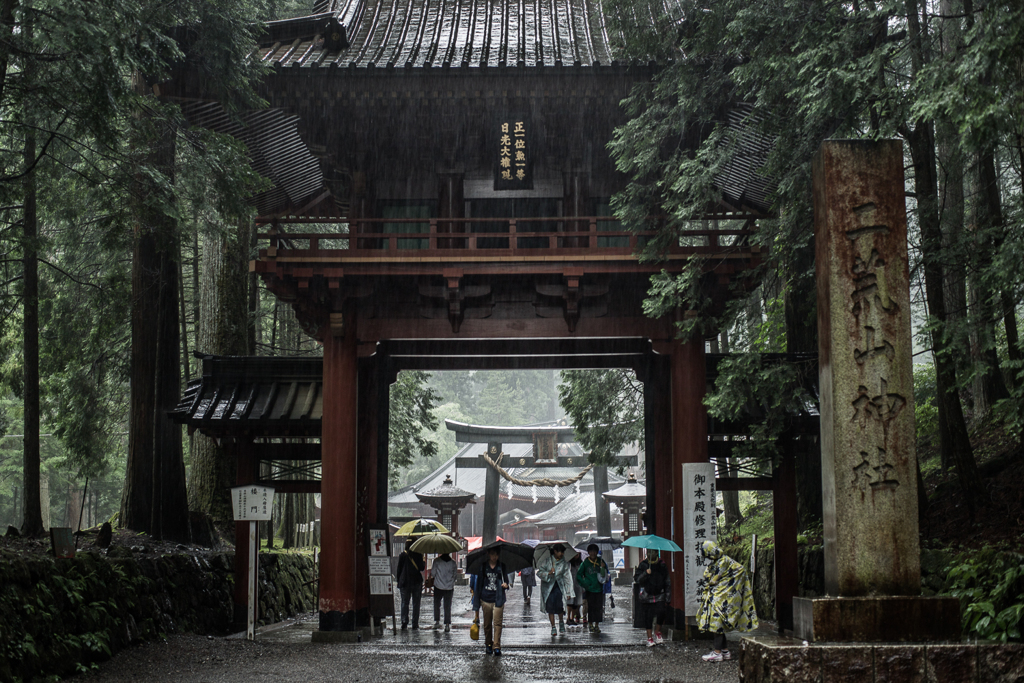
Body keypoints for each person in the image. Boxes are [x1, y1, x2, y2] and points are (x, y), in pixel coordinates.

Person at [697, 540, 759, 662]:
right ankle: (724, 650)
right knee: (719, 625)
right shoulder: (722, 560)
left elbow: (713, 580)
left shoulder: (723, 561)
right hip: (722, 597)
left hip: (721, 598)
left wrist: (711, 579)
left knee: (717, 625)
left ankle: (717, 652)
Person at [471, 547, 509, 656]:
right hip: (485, 599)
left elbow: (506, 580)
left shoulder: (501, 566)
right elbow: (478, 586)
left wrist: (505, 585)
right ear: (488, 554)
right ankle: (488, 643)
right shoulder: (483, 567)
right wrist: (476, 605)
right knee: (487, 624)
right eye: (492, 555)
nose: (494, 557)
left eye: (496, 555)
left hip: (498, 599)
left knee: (497, 623)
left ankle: (496, 645)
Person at [634, 548, 670, 647]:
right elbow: (637, 579)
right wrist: (646, 573)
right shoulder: (643, 564)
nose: (650, 554)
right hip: (647, 594)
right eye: (648, 552)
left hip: (659, 594)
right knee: (648, 616)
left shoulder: (662, 564)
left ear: (656, 553)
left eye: (652, 552)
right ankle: (649, 638)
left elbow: (667, 580)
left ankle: (657, 632)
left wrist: (668, 595)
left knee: (661, 612)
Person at [537, 543, 574, 636]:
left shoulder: (564, 564)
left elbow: (567, 578)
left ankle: (561, 622)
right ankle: (553, 626)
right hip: (548, 589)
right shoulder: (547, 562)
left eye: (563, 552)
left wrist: (568, 591)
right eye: (560, 552)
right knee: (550, 608)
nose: (562, 554)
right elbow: (539, 573)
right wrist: (549, 573)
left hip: (559, 588)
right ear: (555, 551)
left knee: (560, 606)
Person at [577, 543, 609, 633]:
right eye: (591, 551)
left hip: (599, 588)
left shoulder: (601, 562)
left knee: (598, 608)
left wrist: (603, 568)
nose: (593, 553)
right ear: (588, 552)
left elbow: (605, 575)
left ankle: (597, 625)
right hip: (589, 589)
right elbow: (579, 575)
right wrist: (584, 584)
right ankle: (590, 624)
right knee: (590, 607)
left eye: (594, 551)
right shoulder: (585, 563)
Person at [395, 541, 425, 630]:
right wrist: (422, 560)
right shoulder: (418, 555)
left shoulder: (402, 555)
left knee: (405, 602)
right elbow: (422, 568)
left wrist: (398, 581)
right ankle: (415, 623)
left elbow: (399, 569)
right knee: (416, 603)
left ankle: (404, 621)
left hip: (404, 582)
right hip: (416, 581)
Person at [431, 552, 456, 632]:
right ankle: (447, 624)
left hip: (438, 586)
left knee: (437, 604)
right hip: (449, 587)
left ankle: (437, 621)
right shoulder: (453, 563)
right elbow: (455, 576)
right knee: (447, 606)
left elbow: (433, 573)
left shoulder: (437, 561)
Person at [567, 554, 583, 626]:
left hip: (578, 585)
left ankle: (572, 618)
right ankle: (568, 618)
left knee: (576, 603)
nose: (576, 555)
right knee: (570, 602)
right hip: (570, 585)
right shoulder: (569, 564)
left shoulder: (581, 564)